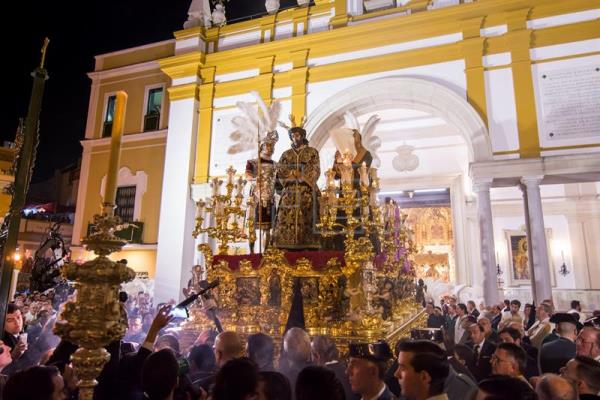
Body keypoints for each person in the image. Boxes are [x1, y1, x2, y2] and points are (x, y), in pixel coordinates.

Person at [273, 124, 321, 250]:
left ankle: (308, 245)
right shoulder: (286, 154)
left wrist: (302, 176)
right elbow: (280, 171)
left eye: (297, 135)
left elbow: (315, 169)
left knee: (306, 217)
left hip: (305, 192)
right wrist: (292, 174)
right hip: (289, 193)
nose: (295, 138)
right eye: (292, 135)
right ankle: (285, 244)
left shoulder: (312, 152)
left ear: (302, 136)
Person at [245, 134, 278, 253]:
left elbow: (278, 180)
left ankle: (266, 252)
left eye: (272, 146)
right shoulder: (253, 162)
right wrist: (254, 179)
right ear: (262, 146)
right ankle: (252, 252)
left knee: (268, 227)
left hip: (270, 197)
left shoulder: (275, 164)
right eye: (268, 145)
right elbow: (247, 175)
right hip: (256, 196)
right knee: (252, 225)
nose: (270, 148)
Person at [311, 335, 354, 400]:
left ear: (317, 355)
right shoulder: (348, 369)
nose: (312, 360)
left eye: (312, 356)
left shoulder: (320, 377)